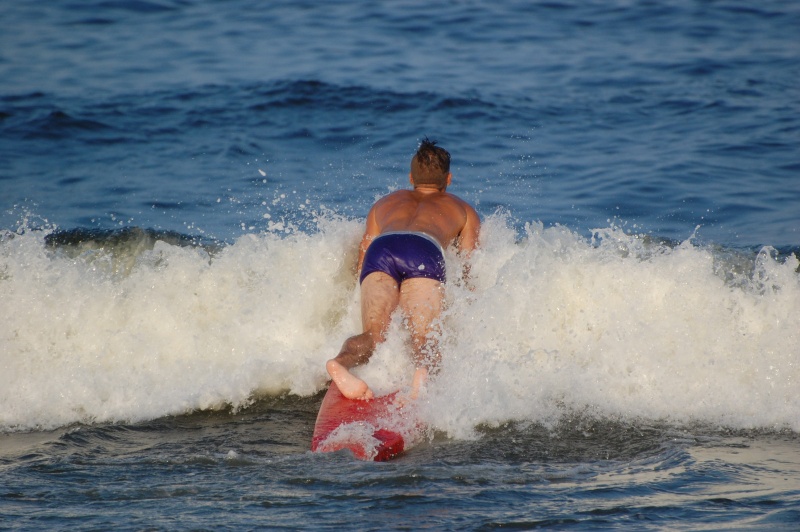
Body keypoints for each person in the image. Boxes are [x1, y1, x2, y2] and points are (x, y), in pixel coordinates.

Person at [326, 139, 481, 400]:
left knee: (373, 336)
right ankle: (421, 379)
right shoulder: (464, 210)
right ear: (449, 179)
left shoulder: (383, 204)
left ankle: (339, 363)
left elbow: (363, 257)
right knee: (424, 340)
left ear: (411, 178)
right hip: (424, 249)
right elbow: (468, 265)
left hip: (382, 248)